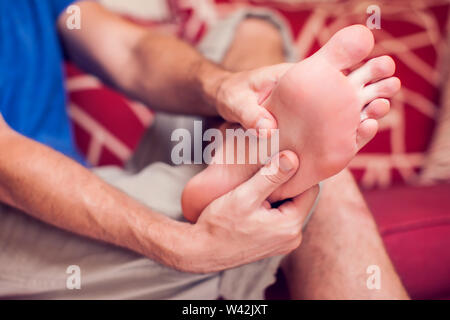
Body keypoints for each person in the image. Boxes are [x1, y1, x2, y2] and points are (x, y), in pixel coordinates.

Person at [0, 0, 408, 299]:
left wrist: (222, 89)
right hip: (11, 215)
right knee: (317, 184)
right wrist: (179, 244)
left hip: (79, 181)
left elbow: (133, 54)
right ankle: (252, 163)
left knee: (252, 26)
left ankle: (250, 141)